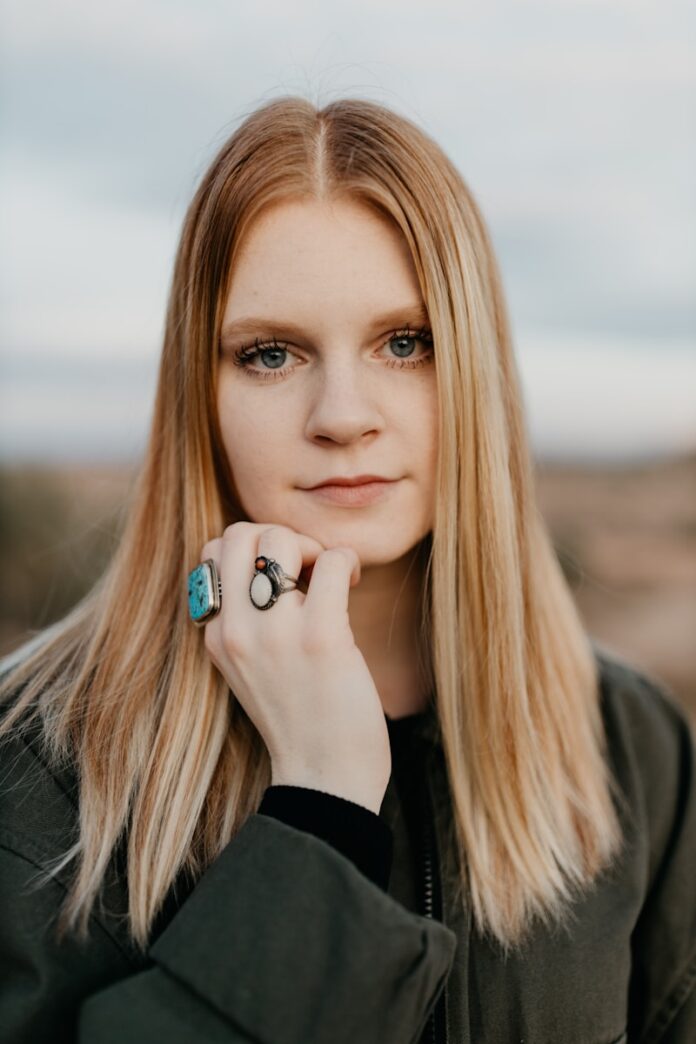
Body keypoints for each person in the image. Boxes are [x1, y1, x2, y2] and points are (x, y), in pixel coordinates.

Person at [0, 95, 694, 1044]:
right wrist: (321, 810)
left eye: (404, 343)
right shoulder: (37, 767)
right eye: (272, 353)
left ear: (475, 369)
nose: (343, 414)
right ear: (201, 392)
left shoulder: (630, 744)